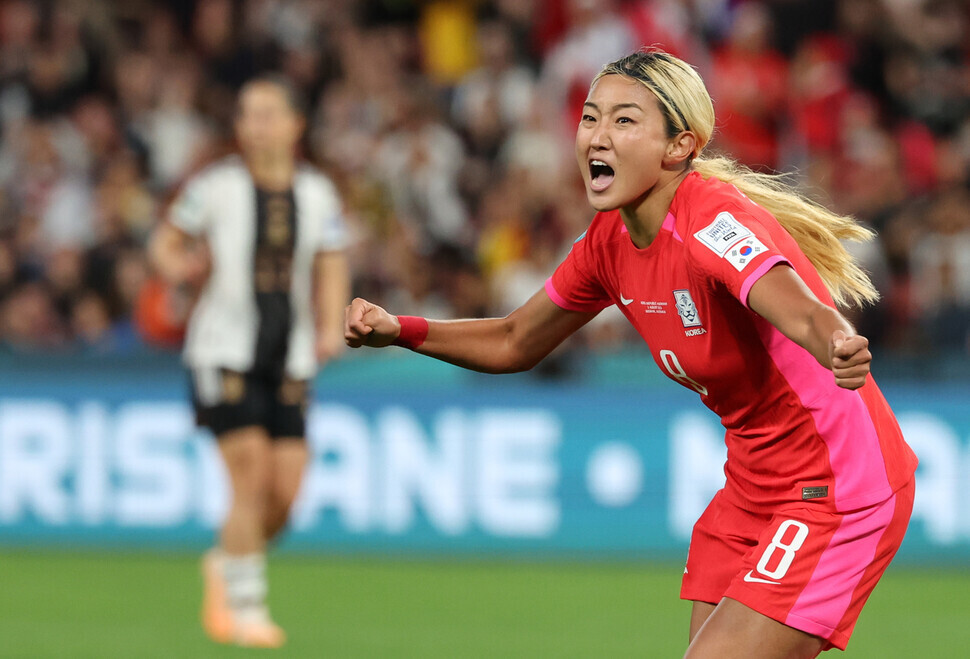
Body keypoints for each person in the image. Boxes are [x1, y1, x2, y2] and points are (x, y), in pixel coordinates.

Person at [344, 50, 918, 658]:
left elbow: (797, 304)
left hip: (837, 486)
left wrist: (835, 341)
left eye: (624, 121)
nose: (597, 135)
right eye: (591, 118)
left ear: (678, 147)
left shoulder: (711, 220)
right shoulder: (607, 243)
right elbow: (516, 340)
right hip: (754, 488)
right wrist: (400, 330)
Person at [150, 75, 350, 648]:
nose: (255, 124)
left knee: (284, 497)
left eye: (267, 113)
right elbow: (165, 242)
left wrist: (332, 323)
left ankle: (225, 560)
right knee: (249, 475)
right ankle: (247, 610)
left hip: (288, 356)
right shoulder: (213, 187)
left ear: (295, 125)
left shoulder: (317, 193)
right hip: (222, 351)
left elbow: (331, 262)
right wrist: (176, 268)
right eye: (247, 114)